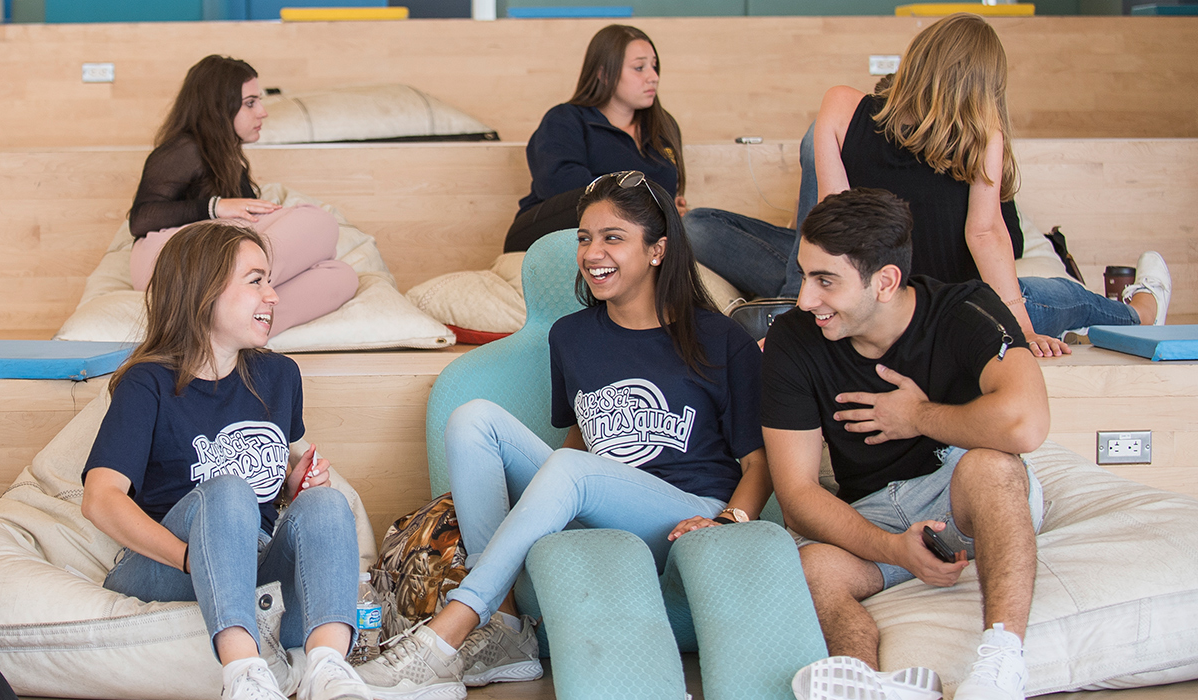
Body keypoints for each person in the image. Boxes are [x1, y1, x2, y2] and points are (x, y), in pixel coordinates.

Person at [356, 171, 772, 699]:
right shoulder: (571, 336)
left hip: (683, 514)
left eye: (613, 237)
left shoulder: (718, 337)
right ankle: (506, 631)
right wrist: (544, 500)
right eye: (584, 237)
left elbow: (759, 463)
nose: (592, 252)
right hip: (598, 501)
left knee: (573, 469)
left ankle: (446, 636)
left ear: (658, 250)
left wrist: (729, 521)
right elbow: (582, 436)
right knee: (471, 418)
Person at [765, 188, 1049, 700]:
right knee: (811, 567)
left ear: (886, 282)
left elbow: (1026, 425)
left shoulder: (965, 309)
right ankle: (864, 683)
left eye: (825, 281)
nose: (806, 299)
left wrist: (918, 416)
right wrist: (894, 549)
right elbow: (798, 495)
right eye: (805, 275)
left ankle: (1001, 668)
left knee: (993, 466)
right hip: (873, 515)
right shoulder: (795, 338)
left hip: (963, 494)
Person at [81, 222, 369, 700]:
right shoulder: (147, 384)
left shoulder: (279, 375)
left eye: (269, 280)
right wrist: (193, 558)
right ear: (202, 291)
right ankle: (244, 675)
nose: (273, 296)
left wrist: (293, 484)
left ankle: (329, 669)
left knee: (328, 505)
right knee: (229, 490)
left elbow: (274, 481)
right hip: (170, 565)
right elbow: (100, 499)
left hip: (254, 560)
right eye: (256, 281)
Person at [813, 13, 1170, 357]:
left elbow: (831, 225)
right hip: (960, 314)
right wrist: (1021, 330)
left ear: (917, 56)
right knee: (1064, 296)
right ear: (985, 84)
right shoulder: (983, 136)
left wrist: (821, 313)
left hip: (877, 311)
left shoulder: (840, 105)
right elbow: (985, 234)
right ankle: (1143, 312)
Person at [128, 55, 358, 337]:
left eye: (259, 101)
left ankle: (227, 326)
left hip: (212, 260)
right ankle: (224, 298)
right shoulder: (184, 149)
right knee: (318, 221)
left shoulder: (228, 161)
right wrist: (217, 207)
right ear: (217, 108)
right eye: (250, 103)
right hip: (169, 260)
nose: (262, 112)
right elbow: (140, 219)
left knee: (341, 276)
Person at [503, 25, 687, 253]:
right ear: (604, 73)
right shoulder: (565, 119)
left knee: (698, 221)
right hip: (550, 229)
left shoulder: (664, 126)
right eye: (639, 68)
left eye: (654, 67)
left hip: (634, 236)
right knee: (593, 197)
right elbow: (557, 183)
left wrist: (668, 207)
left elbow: (668, 190)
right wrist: (650, 205)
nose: (653, 77)